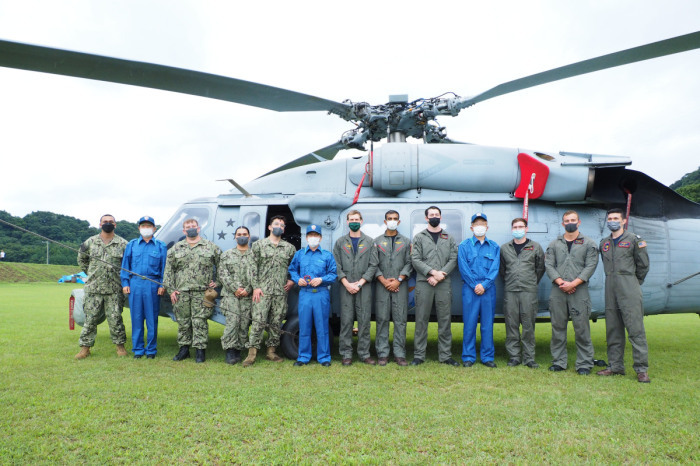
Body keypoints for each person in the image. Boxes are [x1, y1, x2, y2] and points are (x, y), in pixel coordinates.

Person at [597, 208, 651, 383]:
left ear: (623, 221)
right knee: (613, 330)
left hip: (629, 287)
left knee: (635, 329)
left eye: (615, 218)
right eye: (610, 218)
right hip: (610, 287)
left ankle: (641, 369)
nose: (612, 221)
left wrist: (634, 283)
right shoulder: (604, 243)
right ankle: (615, 366)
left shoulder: (635, 240)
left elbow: (643, 265)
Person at [545, 210, 599, 375]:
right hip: (558, 290)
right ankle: (559, 362)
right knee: (557, 328)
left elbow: (590, 266)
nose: (570, 222)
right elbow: (549, 265)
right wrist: (561, 282)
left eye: (573, 220)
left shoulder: (589, 243)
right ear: (562, 224)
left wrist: (574, 283)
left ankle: (584, 363)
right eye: (567, 220)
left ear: (579, 222)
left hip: (579, 290)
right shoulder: (554, 244)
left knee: (582, 328)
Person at [163, 218, 221, 363]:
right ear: (184, 231)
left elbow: (222, 266)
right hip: (181, 292)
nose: (191, 229)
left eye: (193, 226)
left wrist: (218, 282)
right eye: (188, 227)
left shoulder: (211, 247)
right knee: (183, 322)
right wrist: (171, 290)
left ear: (199, 228)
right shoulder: (176, 249)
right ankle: (184, 350)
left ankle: (200, 351)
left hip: (202, 292)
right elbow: (168, 272)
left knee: (200, 322)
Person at [245, 215, 296, 367]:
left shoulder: (289, 248)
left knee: (276, 322)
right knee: (258, 322)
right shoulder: (259, 245)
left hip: (280, 292)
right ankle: (251, 354)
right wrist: (256, 287)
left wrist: (292, 280)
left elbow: (295, 267)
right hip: (262, 291)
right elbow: (252, 268)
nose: (279, 226)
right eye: (276, 224)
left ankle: (271, 352)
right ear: (269, 227)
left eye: (281, 224)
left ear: (284, 229)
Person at [410, 206, 459, 366]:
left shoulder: (448, 238)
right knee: (421, 320)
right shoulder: (419, 237)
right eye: (431, 215)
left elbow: (453, 259)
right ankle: (419, 355)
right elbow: (415, 259)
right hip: (424, 283)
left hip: (443, 284)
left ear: (441, 217)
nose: (434, 217)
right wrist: (431, 273)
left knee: (445, 320)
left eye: (437, 214)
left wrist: (440, 275)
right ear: (426, 218)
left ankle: (445, 356)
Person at [75, 214, 128, 359]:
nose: (108, 224)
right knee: (90, 319)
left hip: (114, 289)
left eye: (111, 222)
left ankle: (120, 346)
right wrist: (93, 273)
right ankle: (85, 348)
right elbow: (82, 259)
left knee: (115, 318)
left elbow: (127, 264)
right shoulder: (90, 242)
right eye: (105, 221)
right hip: (94, 288)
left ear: (115, 225)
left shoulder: (123, 244)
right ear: (100, 224)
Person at [499, 217, 545, 368]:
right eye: (515, 227)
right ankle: (514, 357)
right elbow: (502, 270)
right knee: (511, 325)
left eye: (521, 226)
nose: (518, 229)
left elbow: (540, 268)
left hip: (528, 291)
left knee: (528, 326)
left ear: (526, 228)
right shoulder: (505, 248)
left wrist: (530, 281)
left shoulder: (535, 247)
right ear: (512, 229)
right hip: (511, 290)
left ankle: (529, 358)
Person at [288, 224, 337, 366]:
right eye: (310, 235)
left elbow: (333, 274)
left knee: (322, 326)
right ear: (306, 237)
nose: (313, 238)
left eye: (316, 235)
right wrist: (298, 280)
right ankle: (303, 357)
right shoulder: (299, 254)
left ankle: (324, 357)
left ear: (320, 238)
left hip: (321, 294)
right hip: (305, 294)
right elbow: (292, 270)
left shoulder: (327, 255)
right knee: (304, 326)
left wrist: (322, 279)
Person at [333, 210, 377, 366]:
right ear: (347, 222)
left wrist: (359, 283)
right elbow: (336, 266)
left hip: (363, 287)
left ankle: (364, 354)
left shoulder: (370, 242)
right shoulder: (340, 242)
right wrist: (346, 283)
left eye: (357, 219)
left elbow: (373, 265)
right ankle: (346, 354)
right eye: (351, 219)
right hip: (345, 287)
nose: (354, 221)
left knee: (364, 321)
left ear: (361, 221)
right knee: (346, 321)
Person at [120, 216, 167, 359]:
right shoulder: (132, 245)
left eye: (149, 225)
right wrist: (125, 283)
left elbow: (165, 268)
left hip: (153, 285)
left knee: (152, 318)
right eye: (143, 225)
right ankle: (138, 349)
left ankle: (151, 350)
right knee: (137, 318)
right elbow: (125, 266)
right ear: (139, 228)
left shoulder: (160, 246)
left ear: (154, 228)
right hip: (135, 284)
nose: (146, 228)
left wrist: (162, 284)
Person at [458, 213, 501, 368]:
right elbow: (463, 268)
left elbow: (495, 268)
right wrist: (475, 285)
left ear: (487, 227)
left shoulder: (495, 247)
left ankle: (487, 357)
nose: (479, 226)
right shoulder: (464, 246)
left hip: (488, 290)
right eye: (476, 224)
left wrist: (485, 285)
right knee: (469, 323)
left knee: (487, 324)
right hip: (470, 289)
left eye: (482, 223)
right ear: (471, 227)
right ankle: (468, 356)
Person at [371, 210, 413, 366]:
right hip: (382, 285)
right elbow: (373, 264)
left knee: (400, 320)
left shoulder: (407, 241)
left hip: (400, 285)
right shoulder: (376, 241)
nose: (392, 221)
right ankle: (382, 354)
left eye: (395, 219)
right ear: (385, 221)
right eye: (390, 219)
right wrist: (384, 281)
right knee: (382, 319)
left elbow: (410, 263)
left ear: (399, 222)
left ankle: (399, 354)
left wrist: (399, 280)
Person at [219, 226, 255, 365]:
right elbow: (223, 273)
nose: (242, 236)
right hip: (231, 295)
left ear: (249, 236)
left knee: (244, 323)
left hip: (247, 295)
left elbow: (257, 274)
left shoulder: (254, 255)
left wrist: (248, 289)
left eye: (244, 234)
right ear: (235, 237)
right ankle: (230, 350)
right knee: (232, 322)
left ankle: (239, 349)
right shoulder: (227, 254)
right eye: (239, 234)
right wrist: (235, 289)